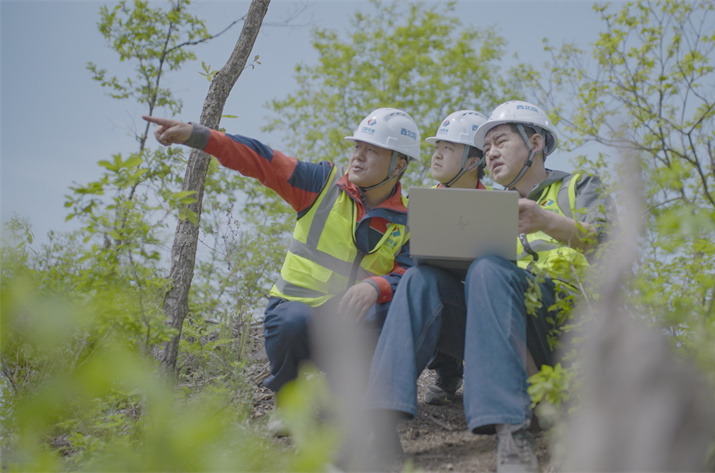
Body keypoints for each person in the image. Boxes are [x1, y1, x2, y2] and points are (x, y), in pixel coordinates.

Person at [365, 100, 608, 472]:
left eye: (501, 142)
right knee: (421, 278)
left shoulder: (578, 186)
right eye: (487, 146)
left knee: (490, 269)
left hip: (562, 336)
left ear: (536, 143)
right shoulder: (487, 208)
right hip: (501, 334)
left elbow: (608, 245)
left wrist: (545, 220)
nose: (491, 152)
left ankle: (512, 431)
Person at [143, 108, 420, 433]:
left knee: (395, 311)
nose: (358, 156)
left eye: (372, 150)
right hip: (297, 316)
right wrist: (197, 135)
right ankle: (288, 400)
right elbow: (260, 159)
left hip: (352, 326)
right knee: (294, 320)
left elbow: (411, 275)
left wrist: (377, 287)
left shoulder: (410, 221)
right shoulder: (321, 184)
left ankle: (352, 400)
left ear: (399, 164)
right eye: (358, 146)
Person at [420, 110, 488, 405]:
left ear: (474, 161)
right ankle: (446, 372)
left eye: (448, 148)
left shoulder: (501, 207)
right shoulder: (418, 205)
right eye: (437, 148)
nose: (437, 155)